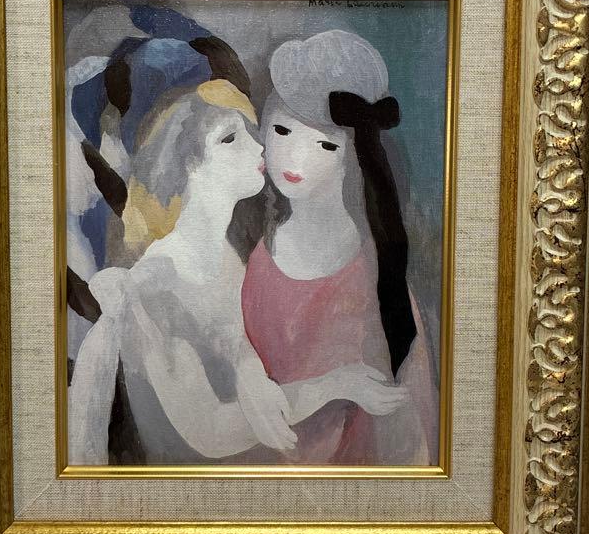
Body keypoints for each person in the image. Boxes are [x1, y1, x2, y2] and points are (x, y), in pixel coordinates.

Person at [67, 78, 408, 464]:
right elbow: (210, 430)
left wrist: (251, 374)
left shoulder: (229, 255)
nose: (259, 146)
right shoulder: (156, 284)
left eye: (250, 131)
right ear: (187, 166)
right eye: (229, 139)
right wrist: (335, 384)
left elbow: (233, 336)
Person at [241, 30, 439, 465]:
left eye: (325, 144)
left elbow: (408, 427)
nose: (294, 157)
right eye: (282, 130)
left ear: (353, 158)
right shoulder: (256, 259)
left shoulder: (373, 277)